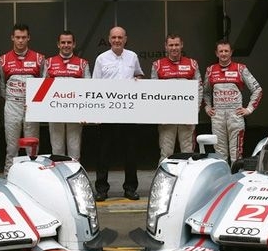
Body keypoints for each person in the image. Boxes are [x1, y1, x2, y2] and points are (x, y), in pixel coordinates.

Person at [92, 26, 144, 201]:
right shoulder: (101, 59)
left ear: (125, 39)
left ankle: (130, 188)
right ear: (109, 39)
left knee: (130, 152)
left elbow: (139, 76)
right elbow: (94, 87)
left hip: (129, 113)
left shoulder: (133, 56)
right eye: (114, 37)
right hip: (107, 114)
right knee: (103, 153)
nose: (117, 40)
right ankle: (101, 189)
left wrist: (138, 80)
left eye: (120, 37)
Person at [203, 39, 262, 164]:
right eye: (221, 51)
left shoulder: (240, 69)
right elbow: (205, 92)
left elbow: (258, 90)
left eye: (226, 51)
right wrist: (207, 107)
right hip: (217, 116)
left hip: (235, 116)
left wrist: (249, 109)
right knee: (219, 153)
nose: (223, 54)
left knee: (236, 153)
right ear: (216, 53)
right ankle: (222, 180)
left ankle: (235, 180)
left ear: (231, 52)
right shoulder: (210, 70)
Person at [0, 24, 45, 175]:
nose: (20, 41)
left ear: (28, 38)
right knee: (11, 146)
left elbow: (45, 83)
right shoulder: (3, 60)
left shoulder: (39, 58)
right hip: (12, 104)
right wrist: (11, 98)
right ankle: (9, 176)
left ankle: (34, 176)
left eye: (24, 37)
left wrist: (34, 102)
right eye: (17, 37)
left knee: (32, 145)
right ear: (12, 38)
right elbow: (0, 85)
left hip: (31, 106)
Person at [151, 34, 202, 160]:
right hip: (167, 117)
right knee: (166, 153)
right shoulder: (157, 65)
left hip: (187, 116)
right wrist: (158, 114)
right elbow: (153, 91)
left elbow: (199, 89)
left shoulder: (192, 64)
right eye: (171, 45)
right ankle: (164, 180)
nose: (174, 48)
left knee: (188, 152)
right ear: (166, 47)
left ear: (182, 45)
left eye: (177, 45)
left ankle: (189, 180)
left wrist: (195, 111)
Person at [43, 30, 91, 161]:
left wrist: (85, 112)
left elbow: (88, 90)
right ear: (58, 44)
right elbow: (41, 89)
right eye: (63, 42)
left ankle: (74, 178)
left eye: (69, 42)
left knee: (74, 148)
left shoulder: (83, 63)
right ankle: (59, 179)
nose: (66, 45)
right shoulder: (49, 63)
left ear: (74, 44)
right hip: (55, 110)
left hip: (75, 111)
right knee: (57, 148)